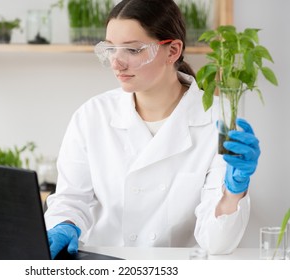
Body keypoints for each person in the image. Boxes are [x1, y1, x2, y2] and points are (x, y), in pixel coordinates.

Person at [44, 0, 260, 259]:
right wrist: (64, 224)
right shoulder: (92, 115)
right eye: (111, 49)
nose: (116, 63)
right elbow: (70, 200)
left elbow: (217, 243)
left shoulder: (221, 118)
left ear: (172, 51)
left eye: (133, 50)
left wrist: (233, 193)